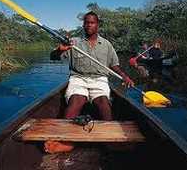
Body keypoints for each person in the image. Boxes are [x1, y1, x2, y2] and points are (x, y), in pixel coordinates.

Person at [46, 11, 134, 153]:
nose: (88, 25)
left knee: (103, 102)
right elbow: (53, 57)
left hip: (99, 79)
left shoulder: (106, 44)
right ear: (83, 25)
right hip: (78, 78)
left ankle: (110, 140)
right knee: (76, 100)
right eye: (86, 22)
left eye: (92, 22)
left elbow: (114, 65)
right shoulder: (73, 43)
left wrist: (125, 76)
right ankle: (66, 141)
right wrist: (59, 49)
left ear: (97, 25)